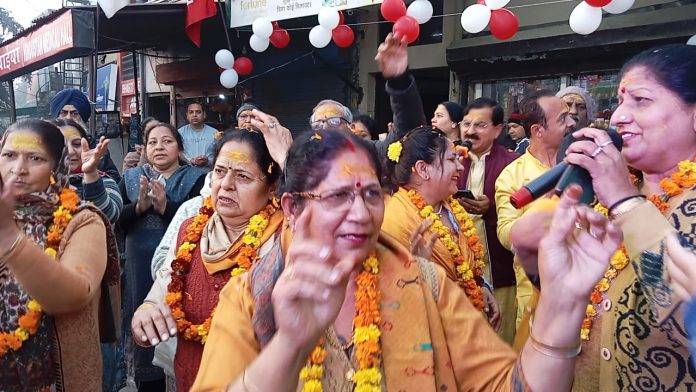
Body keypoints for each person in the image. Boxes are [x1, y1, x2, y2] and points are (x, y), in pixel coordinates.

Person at [190, 129, 622, 391]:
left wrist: (563, 302)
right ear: (293, 209)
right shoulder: (249, 298)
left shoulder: (427, 284)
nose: (361, 214)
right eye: (339, 196)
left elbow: (513, 387)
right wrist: (288, 345)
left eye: (371, 194)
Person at [511, 44, 696, 390]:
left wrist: (624, 201)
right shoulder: (602, 205)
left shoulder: (619, 197)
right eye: (622, 101)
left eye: (640, 100)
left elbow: (689, 321)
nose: (618, 117)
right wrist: (536, 265)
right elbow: (586, 308)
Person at [130, 128, 283, 391]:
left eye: (243, 176)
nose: (226, 184)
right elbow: (163, 288)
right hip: (190, 375)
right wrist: (146, 313)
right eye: (220, 171)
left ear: (272, 187)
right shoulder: (191, 228)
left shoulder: (285, 239)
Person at [0, 119, 119, 390]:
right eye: (9, 156)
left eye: (35, 158)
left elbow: (74, 294)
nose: (18, 169)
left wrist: (9, 239)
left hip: (62, 378)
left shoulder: (82, 220)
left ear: (56, 166)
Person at [119, 122, 207, 390]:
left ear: (179, 148)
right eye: (153, 142)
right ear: (145, 149)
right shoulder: (133, 177)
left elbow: (200, 221)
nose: (159, 147)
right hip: (138, 265)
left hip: (180, 268)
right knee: (143, 321)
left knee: (177, 322)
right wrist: (139, 207)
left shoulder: (197, 178)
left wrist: (165, 207)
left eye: (167, 141)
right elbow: (118, 222)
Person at [382, 126, 498, 327]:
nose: (461, 167)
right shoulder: (396, 219)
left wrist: (482, 286)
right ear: (423, 169)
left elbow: (465, 264)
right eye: (452, 160)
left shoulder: (449, 205)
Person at [495, 90, 576, 333]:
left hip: (587, 286)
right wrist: (544, 206)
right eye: (562, 119)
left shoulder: (583, 160)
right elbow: (505, 233)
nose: (572, 123)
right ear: (538, 131)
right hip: (538, 291)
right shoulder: (512, 175)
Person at [306, 32, 427, 160]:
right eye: (318, 124)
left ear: (350, 126)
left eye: (334, 121)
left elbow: (408, 133)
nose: (325, 127)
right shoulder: (303, 163)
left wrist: (399, 80)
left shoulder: (369, 153)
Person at [458, 97, 520, 343]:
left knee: (500, 342)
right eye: (466, 124)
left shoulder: (513, 164)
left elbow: (521, 212)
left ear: (497, 130)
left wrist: (491, 207)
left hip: (499, 272)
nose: (470, 131)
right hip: (459, 275)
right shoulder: (450, 160)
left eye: (480, 125)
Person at [52, 118, 123, 225]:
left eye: (76, 144)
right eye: (61, 144)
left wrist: (90, 173)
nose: (70, 151)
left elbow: (109, 216)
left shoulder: (106, 182)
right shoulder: (34, 185)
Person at [50, 88, 122, 182]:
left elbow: (115, 180)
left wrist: (92, 171)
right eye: (63, 113)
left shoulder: (96, 147)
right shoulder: (46, 146)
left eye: (74, 113)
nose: (68, 118)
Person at [178, 102, 218, 168]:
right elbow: (178, 152)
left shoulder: (214, 133)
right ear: (187, 116)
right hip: (187, 171)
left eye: (198, 112)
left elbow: (219, 153)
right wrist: (189, 160)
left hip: (208, 172)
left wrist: (208, 161)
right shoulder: (180, 133)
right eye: (191, 112)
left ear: (204, 115)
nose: (194, 115)